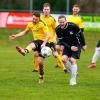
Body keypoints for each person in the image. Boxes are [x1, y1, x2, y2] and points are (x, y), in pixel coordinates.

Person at [9, 11, 50, 84]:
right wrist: (16, 35)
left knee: (40, 63)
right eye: (33, 18)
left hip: (44, 43)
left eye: (36, 19)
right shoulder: (30, 24)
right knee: (32, 44)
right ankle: (24, 51)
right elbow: (25, 32)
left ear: (39, 18)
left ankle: (41, 77)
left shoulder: (42, 24)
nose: (34, 20)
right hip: (36, 41)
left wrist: (44, 44)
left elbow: (48, 35)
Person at [33, 3, 67, 73]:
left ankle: (64, 68)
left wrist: (55, 38)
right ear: (43, 10)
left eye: (47, 9)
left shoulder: (52, 19)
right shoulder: (40, 18)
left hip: (50, 40)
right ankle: (36, 69)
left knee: (55, 55)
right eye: (45, 9)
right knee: (36, 53)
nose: (46, 11)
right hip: (41, 40)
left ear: (49, 10)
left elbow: (56, 29)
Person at [55, 15, 86, 85]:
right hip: (68, 46)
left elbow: (80, 34)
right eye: (60, 22)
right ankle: (74, 72)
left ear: (66, 21)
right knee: (63, 59)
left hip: (77, 44)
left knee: (72, 60)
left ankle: (73, 80)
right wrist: (69, 47)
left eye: (63, 22)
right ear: (58, 22)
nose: (62, 23)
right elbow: (61, 41)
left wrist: (84, 44)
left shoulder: (73, 26)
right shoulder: (57, 29)